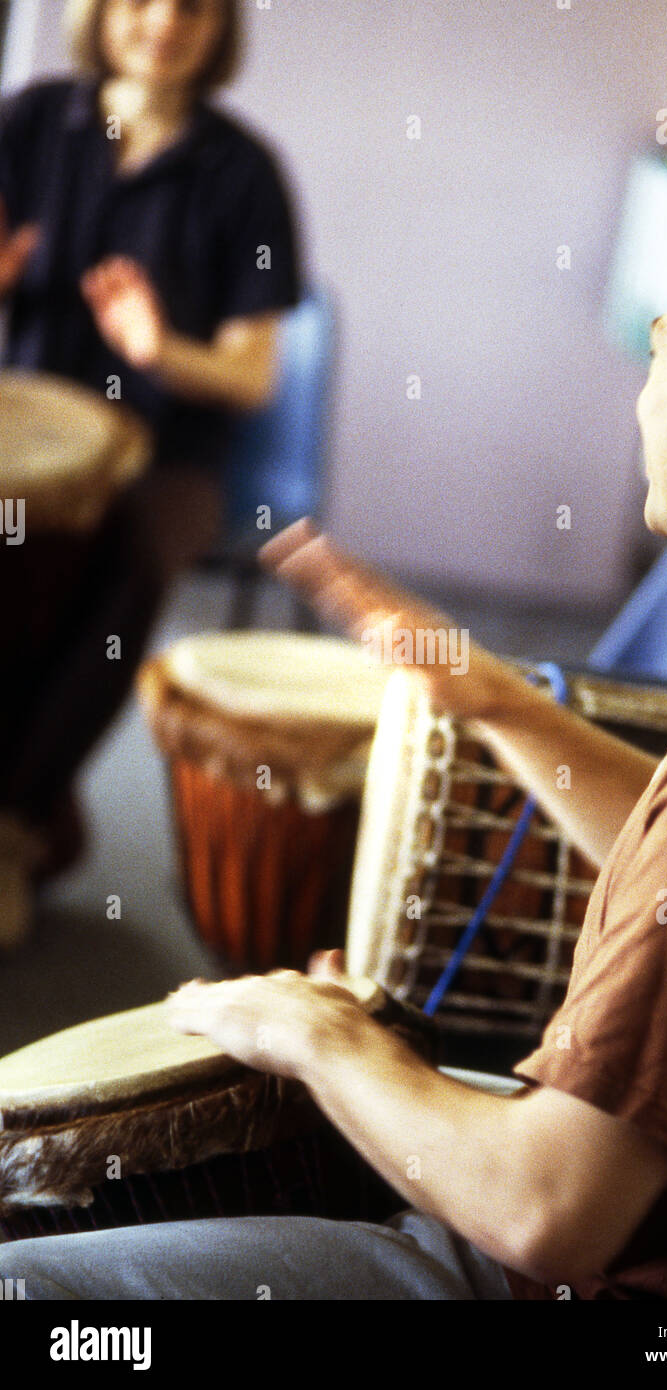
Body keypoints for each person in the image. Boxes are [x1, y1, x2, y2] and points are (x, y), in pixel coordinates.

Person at [3, 161, 667, 1300]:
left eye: (655, 353)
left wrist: (317, 1035)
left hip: (600, 1281)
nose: (642, 394)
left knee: (31, 1288)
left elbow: (546, 1215)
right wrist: (487, 696)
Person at [0, 0, 300, 945]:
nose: (164, 21)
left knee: (140, 552)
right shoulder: (33, 121)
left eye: (195, 5)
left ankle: (11, 832)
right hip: (26, 425)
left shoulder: (246, 175)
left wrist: (160, 347)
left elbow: (252, 375)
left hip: (172, 448)